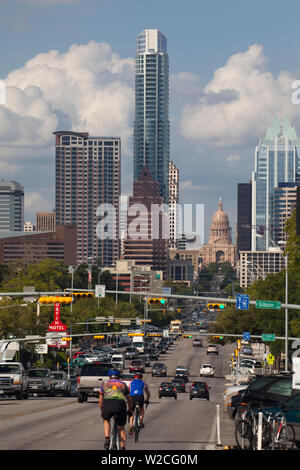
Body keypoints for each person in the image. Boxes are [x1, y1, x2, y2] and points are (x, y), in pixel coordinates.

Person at [99, 369, 133, 450]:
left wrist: (102, 409)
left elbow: (100, 399)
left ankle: (107, 438)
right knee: (121, 428)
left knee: (106, 420)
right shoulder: (123, 384)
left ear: (109, 376)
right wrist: (130, 409)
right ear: (119, 376)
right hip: (120, 404)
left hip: (108, 404)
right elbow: (129, 399)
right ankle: (123, 447)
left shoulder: (104, 384)